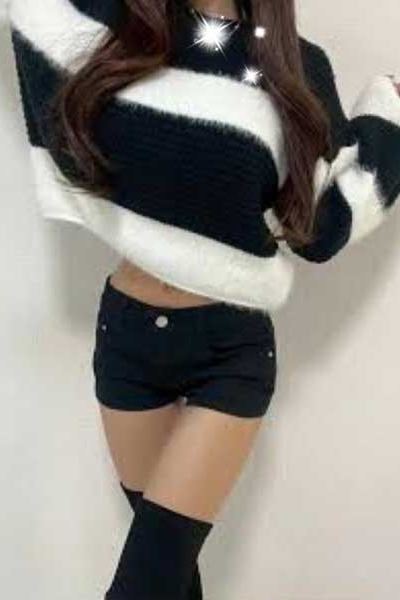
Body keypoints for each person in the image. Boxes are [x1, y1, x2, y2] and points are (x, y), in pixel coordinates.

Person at [8, 0, 400, 598]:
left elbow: (319, 227)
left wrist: (388, 114)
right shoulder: (118, 27)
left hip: (229, 351)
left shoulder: (295, 66)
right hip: (127, 339)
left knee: (146, 582)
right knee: (171, 581)